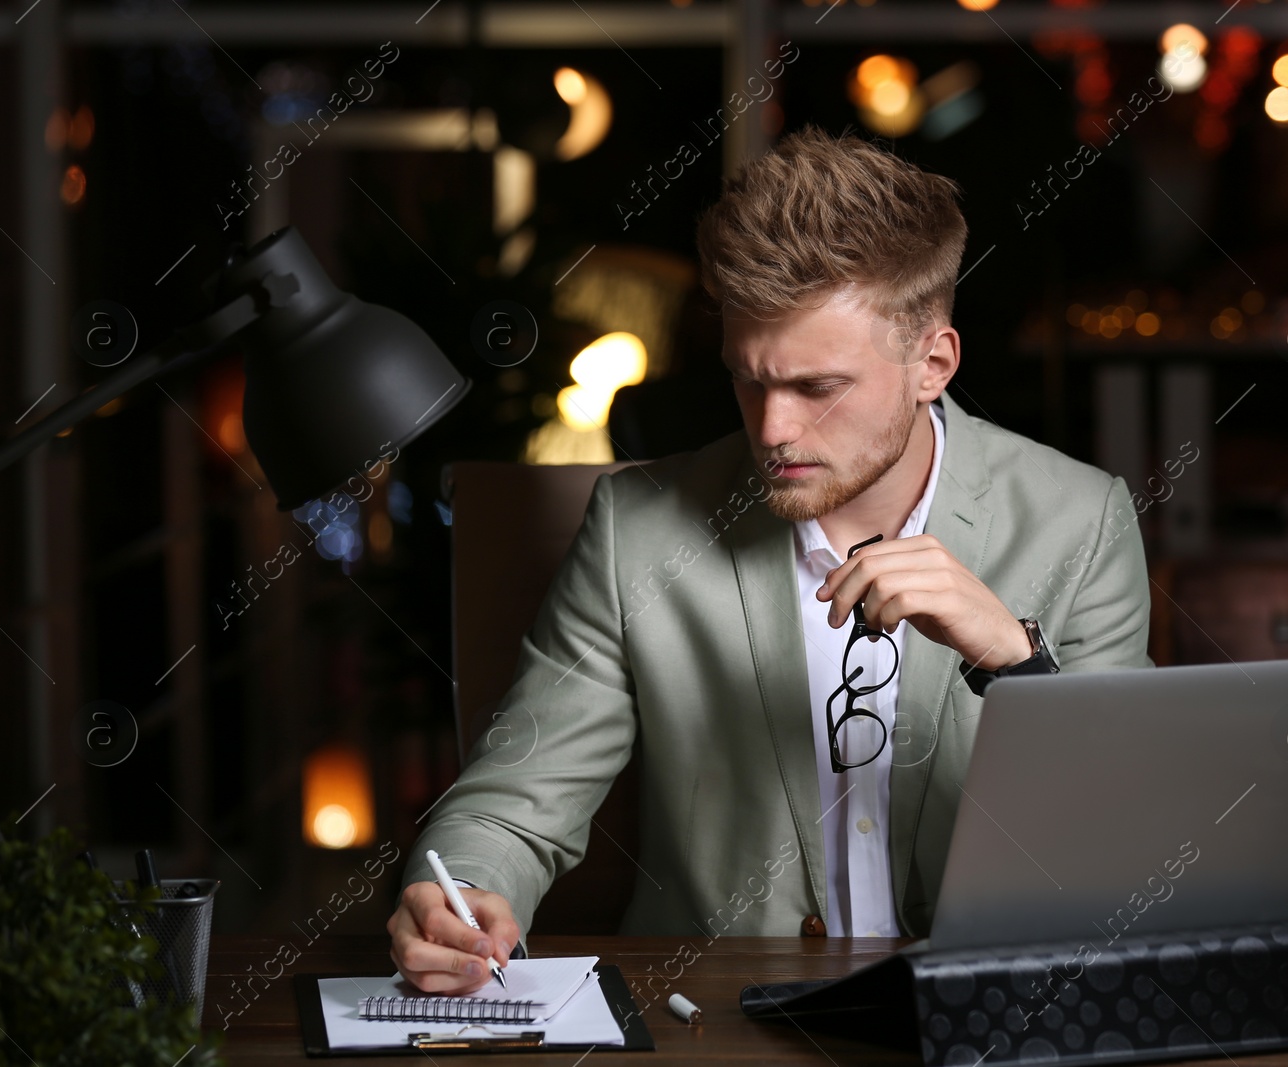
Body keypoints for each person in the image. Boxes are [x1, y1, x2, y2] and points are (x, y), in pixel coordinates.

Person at [387, 125, 1154, 993]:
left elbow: (1129, 846)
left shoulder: (1080, 520)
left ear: (931, 363)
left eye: (817, 388)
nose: (773, 429)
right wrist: (464, 891)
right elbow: (518, 795)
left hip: (988, 1017)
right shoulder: (635, 529)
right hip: (714, 1019)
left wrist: (1019, 664)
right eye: (749, 379)